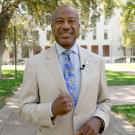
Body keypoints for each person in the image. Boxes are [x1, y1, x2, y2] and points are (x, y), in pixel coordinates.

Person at [19, 5, 111, 135]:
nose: (66, 26)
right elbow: (24, 108)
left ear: (79, 26)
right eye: (60, 21)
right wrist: (51, 110)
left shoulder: (97, 61)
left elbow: (104, 102)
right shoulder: (35, 63)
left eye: (71, 21)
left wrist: (99, 119)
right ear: (52, 28)